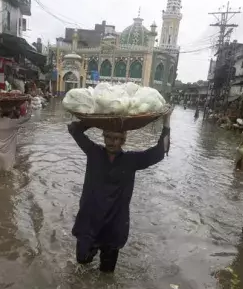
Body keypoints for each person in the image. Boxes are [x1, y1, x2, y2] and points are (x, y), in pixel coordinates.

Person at [68, 113, 171, 273]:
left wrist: (166, 121)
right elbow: (74, 129)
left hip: (114, 224)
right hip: (89, 221)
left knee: (107, 274)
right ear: (103, 137)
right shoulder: (93, 152)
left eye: (117, 138)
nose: (112, 142)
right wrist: (100, 120)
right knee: (81, 264)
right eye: (108, 137)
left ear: (123, 141)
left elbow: (161, 150)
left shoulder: (132, 160)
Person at [0, 105, 32, 171]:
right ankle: (6, 177)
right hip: (8, 148)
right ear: (11, 113)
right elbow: (27, 117)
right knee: (8, 166)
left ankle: (0, 171)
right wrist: (29, 105)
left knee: (1, 162)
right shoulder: (13, 122)